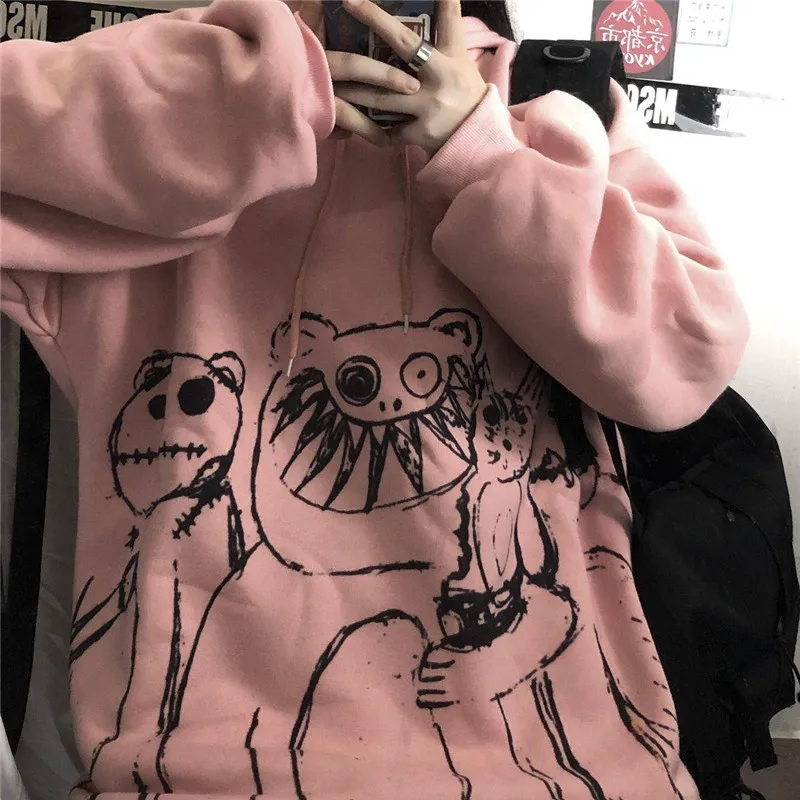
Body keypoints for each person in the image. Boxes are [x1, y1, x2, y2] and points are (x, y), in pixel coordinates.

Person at [0, 0, 749, 797]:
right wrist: (252, 90)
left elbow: (689, 355)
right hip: (207, 771)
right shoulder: (174, 84)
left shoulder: (552, 102)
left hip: (557, 766)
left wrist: (485, 154)